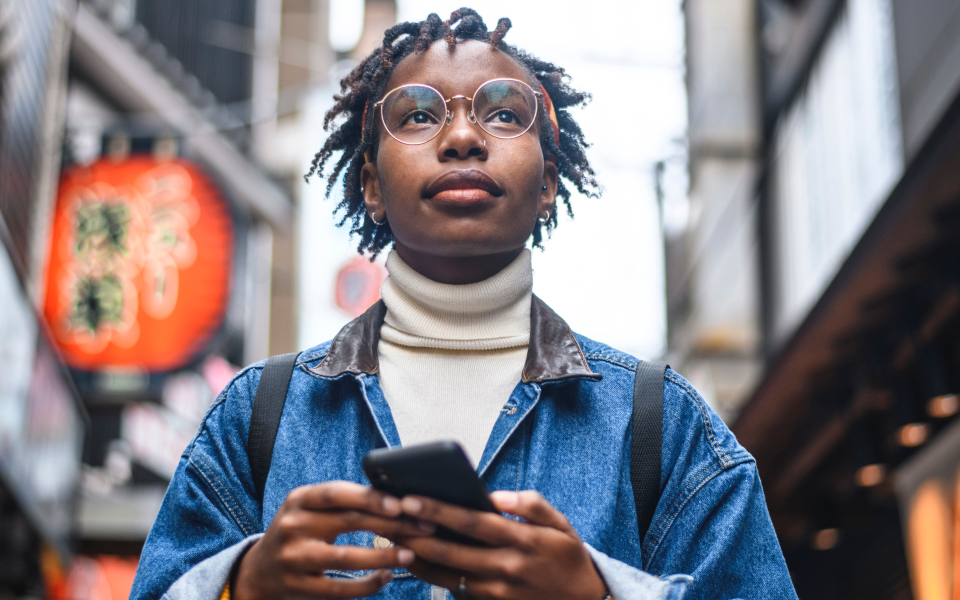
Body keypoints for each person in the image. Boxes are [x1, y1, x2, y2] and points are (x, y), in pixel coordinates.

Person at [130, 9, 798, 600]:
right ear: (370, 185)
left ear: (547, 184)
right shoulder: (259, 417)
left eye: (504, 113)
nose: (462, 137)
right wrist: (241, 588)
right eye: (419, 115)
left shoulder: (661, 425)